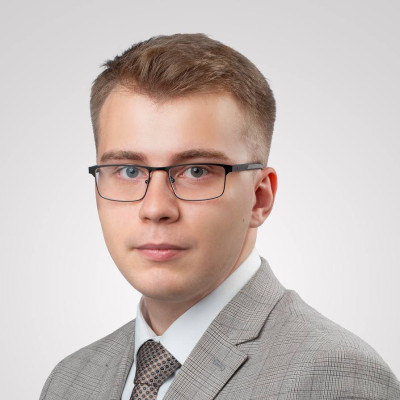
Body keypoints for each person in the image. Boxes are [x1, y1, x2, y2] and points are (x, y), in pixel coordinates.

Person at [39, 33, 400, 400]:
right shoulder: (69, 380)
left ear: (259, 198)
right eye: (128, 171)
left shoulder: (336, 377)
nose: (156, 208)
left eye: (196, 171)